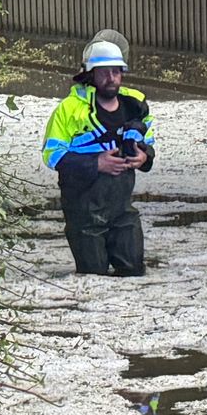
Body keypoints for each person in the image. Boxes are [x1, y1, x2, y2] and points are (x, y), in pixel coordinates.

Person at [43, 39, 157, 276]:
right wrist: (96, 163)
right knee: (93, 273)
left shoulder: (135, 105)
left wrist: (143, 158)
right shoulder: (69, 110)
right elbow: (52, 156)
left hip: (122, 210)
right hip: (84, 211)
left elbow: (148, 143)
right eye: (104, 72)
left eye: (116, 72)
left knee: (134, 271)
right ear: (90, 75)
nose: (111, 78)